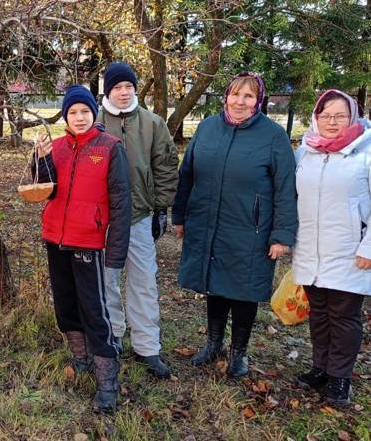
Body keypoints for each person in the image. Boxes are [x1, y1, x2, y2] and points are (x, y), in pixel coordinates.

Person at [172, 72, 297, 378]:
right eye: (236, 94)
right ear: (226, 96)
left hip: (250, 228)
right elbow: (187, 173)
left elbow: (285, 186)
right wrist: (180, 215)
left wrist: (281, 234)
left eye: (249, 96)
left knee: (243, 289)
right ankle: (213, 343)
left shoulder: (272, 136)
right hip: (207, 220)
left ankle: (238, 352)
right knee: (215, 283)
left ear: (259, 101)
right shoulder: (208, 127)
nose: (240, 101)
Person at [34, 85, 131, 413]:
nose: (79, 117)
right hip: (56, 238)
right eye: (73, 112)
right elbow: (43, 189)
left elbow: (121, 202)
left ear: (94, 114)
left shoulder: (109, 147)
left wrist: (115, 253)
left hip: (89, 241)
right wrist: (41, 157)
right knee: (66, 304)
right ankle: (81, 357)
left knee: (95, 310)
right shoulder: (57, 146)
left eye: (84, 112)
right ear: (65, 115)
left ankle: (107, 381)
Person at [96, 62, 178, 379]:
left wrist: (161, 208)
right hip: (103, 220)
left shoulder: (152, 123)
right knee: (107, 282)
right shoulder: (97, 122)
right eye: (117, 87)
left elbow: (166, 167)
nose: (124, 91)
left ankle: (147, 347)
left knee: (143, 283)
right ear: (109, 90)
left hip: (140, 217)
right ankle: (113, 336)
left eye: (129, 86)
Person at [292, 89, 371, 406]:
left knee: (344, 316)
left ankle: (340, 379)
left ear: (352, 117)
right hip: (311, 248)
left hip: (350, 250)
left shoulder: (365, 151)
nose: (332, 122)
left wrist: (369, 247)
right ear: (316, 118)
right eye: (326, 115)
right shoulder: (306, 151)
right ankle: (320, 369)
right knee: (319, 313)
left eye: (340, 115)